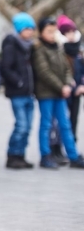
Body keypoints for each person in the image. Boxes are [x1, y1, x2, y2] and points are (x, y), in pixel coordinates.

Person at [31, 17, 84, 169]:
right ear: (41, 32)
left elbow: (67, 68)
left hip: (61, 93)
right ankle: (45, 155)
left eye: (54, 31)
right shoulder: (39, 48)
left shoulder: (59, 47)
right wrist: (61, 87)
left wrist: (68, 83)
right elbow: (44, 72)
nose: (52, 34)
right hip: (46, 93)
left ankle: (73, 155)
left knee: (65, 125)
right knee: (46, 124)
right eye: (49, 31)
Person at [1, 12, 37, 170]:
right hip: (18, 92)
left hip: (29, 92)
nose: (30, 32)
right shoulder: (11, 45)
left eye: (32, 28)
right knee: (21, 125)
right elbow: (6, 68)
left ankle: (21, 155)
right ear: (20, 29)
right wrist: (19, 82)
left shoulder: (30, 47)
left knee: (28, 127)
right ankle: (13, 155)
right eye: (27, 28)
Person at [57, 15, 84, 145]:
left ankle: (72, 145)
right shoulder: (60, 51)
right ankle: (59, 145)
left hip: (77, 91)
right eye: (67, 32)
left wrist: (82, 86)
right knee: (62, 120)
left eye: (73, 32)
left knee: (74, 119)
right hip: (64, 91)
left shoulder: (80, 52)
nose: (71, 35)